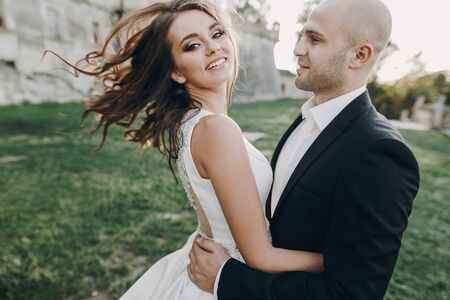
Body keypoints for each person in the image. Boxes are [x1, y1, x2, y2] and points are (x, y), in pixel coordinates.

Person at [59, 0, 330, 299]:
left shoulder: (192, 123)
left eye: (216, 34)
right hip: (228, 280)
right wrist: (336, 260)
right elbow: (260, 256)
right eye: (191, 46)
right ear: (176, 73)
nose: (212, 48)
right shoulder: (216, 130)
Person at [187, 0, 420, 299]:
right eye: (301, 35)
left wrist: (226, 279)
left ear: (359, 55)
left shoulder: (380, 155)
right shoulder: (307, 117)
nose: (298, 48)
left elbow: (350, 293)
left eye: (314, 39)